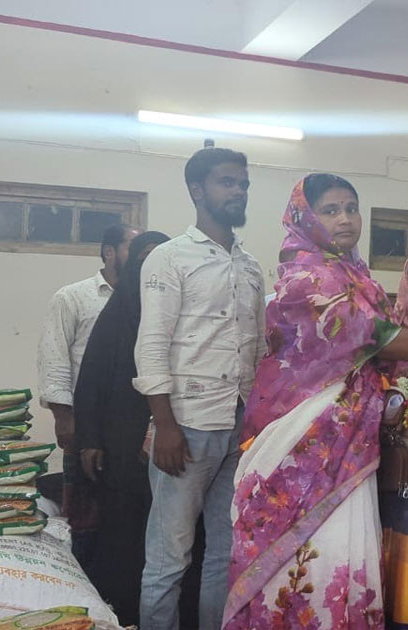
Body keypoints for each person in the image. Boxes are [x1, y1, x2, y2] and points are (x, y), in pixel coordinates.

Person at [223, 174, 408, 629]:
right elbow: (379, 338)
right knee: (306, 554)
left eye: (351, 208)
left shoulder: (353, 273)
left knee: (340, 546)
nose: (345, 219)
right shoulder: (308, 276)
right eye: (330, 210)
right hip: (304, 432)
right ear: (305, 218)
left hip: (346, 435)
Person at [133, 147, 265, 630]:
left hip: (239, 425)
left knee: (226, 556)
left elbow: (258, 348)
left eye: (243, 184)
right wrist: (164, 425)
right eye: (227, 182)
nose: (238, 191)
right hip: (185, 427)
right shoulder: (170, 258)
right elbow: (151, 345)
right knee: (169, 558)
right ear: (197, 190)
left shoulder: (250, 266)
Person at [73, 230, 170, 628]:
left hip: (174, 442)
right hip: (121, 443)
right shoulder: (118, 312)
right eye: (143, 258)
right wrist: (89, 440)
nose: (150, 266)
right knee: (125, 530)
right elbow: (91, 379)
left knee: (173, 535)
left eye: (159, 258)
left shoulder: (182, 308)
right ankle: (124, 614)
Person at [38, 222, 141, 566]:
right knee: (84, 509)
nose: (139, 255)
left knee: (126, 508)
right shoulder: (73, 297)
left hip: (132, 423)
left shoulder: (149, 298)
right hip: (86, 421)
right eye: (131, 247)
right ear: (109, 252)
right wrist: (64, 419)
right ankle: (83, 576)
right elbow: (54, 358)